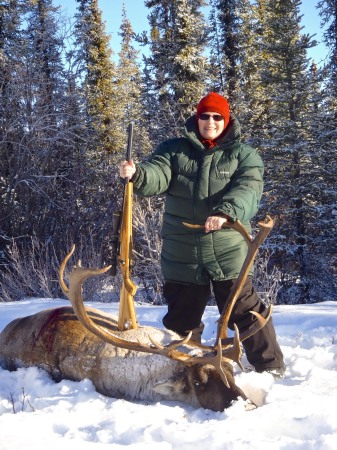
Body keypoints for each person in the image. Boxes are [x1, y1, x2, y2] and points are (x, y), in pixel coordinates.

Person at [120, 92, 285, 378]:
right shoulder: (174, 150)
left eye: (217, 117)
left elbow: (248, 189)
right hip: (183, 249)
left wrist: (226, 212)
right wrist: (138, 174)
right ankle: (180, 369)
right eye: (205, 116)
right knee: (181, 318)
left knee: (245, 311)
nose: (210, 121)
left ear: (227, 120)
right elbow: (157, 174)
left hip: (227, 248)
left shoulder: (244, 155)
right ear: (197, 119)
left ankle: (270, 368)